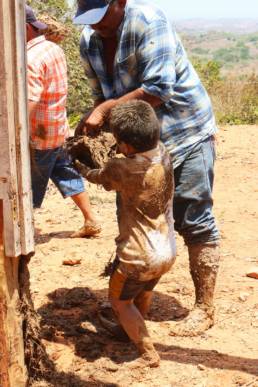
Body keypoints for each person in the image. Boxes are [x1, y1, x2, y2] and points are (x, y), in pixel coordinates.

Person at [73, 0, 220, 336]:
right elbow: (100, 95)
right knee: (137, 225)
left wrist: (106, 110)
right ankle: (136, 306)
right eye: (89, 19)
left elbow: (157, 89)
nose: (96, 26)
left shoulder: (148, 21)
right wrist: (95, 122)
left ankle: (204, 308)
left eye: (102, 17)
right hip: (134, 151)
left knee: (194, 218)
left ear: (120, 2)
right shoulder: (88, 40)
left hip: (184, 133)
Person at [75, 100, 176, 367]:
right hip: (166, 249)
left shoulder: (122, 167)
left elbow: (100, 177)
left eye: (119, 142)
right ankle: (129, 329)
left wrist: (81, 167)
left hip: (138, 255)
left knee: (120, 302)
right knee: (142, 292)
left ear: (127, 146)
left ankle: (147, 354)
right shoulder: (164, 153)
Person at [26, 4, 100, 238]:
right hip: (58, 127)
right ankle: (91, 220)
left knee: (30, 185)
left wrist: (13, 130)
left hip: (40, 135)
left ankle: (26, 230)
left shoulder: (29, 59)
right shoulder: (52, 48)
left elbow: (30, 100)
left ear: (24, 29)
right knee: (66, 172)